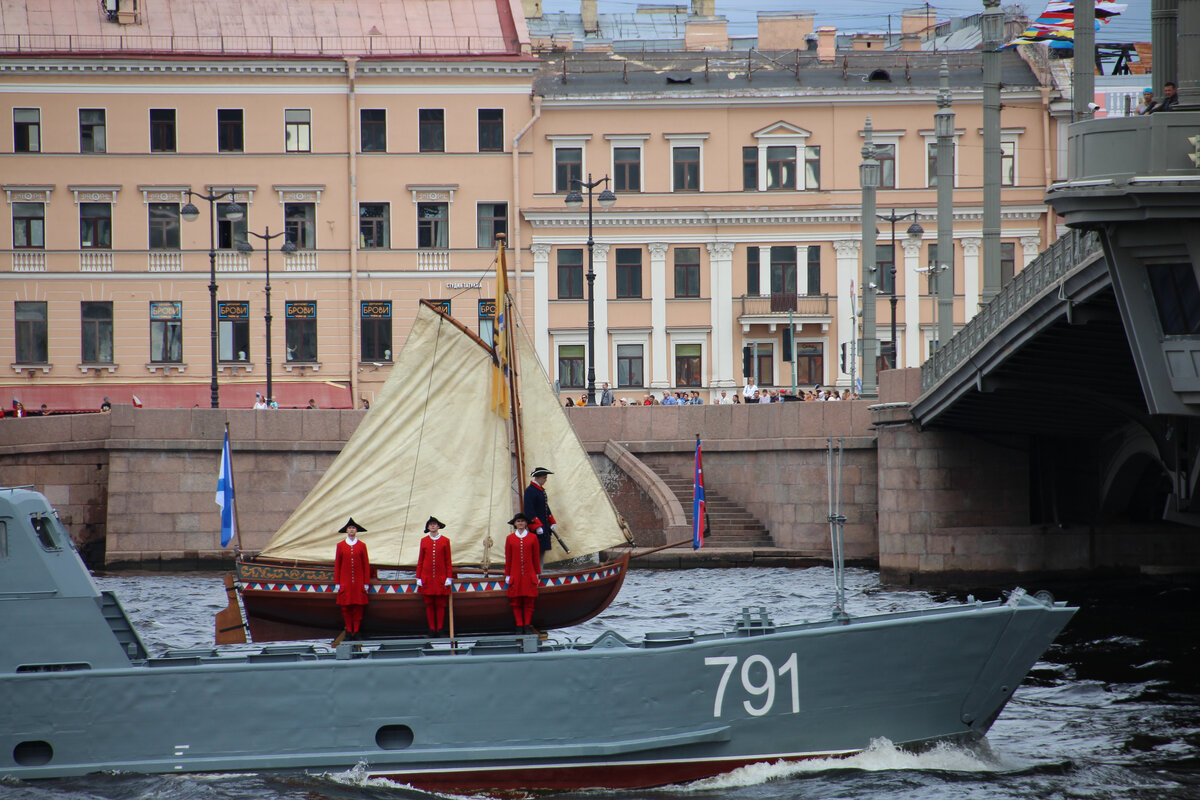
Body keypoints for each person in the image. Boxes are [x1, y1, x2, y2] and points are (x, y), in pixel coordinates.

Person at [415, 516, 453, 637]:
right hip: (427, 578)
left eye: (434, 524)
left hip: (441, 578)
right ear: (427, 527)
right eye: (430, 524)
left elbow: (448, 560)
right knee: (429, 605)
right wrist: (418, 577)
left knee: (441, 605)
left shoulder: (445, 541)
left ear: (438, 526)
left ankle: (440, 629)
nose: (432, 526)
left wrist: (449, 577)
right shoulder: (424, 541)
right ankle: (432, 629)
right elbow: (421, 559)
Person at [504, 513, 541, 634]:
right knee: (516, 601)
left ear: (526, 523)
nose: (520, 523)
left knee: (529, 601)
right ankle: (519, 626)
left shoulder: (533, 538)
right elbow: (508, 557)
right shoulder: (510, 538)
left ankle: (527, 625)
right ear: (515, 524)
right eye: (518, 521)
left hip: (529, 574)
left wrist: (537, 573)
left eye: (522, 521)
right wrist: (508, 574)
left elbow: (536, 557)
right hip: (515, 574)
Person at [333, 517, 370, 640]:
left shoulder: (362, 546)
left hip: (358, 583)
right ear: (346, 531)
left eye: (353, 528)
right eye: (349, 528)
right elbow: (337, 565)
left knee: (358, 608)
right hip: (345, 583)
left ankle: (357, 631)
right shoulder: (340, 545)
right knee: (346, 608)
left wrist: (366, 583)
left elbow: (366, 565)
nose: (351, 530)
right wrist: (337, 582)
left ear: (356, 530)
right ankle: (349, 631)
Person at [523, 466, 557, 554]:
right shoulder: (530, 491)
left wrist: (552, 521)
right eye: (544, 478)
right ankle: (537, 568)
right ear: (537, 477)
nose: (546, 480)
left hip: (544, 525)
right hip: (536, 527)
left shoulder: (540, 490)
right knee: (536, 552)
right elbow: (529, 510)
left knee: (542, 551)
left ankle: (540, 568)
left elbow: (545, 506)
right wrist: (536, 526)